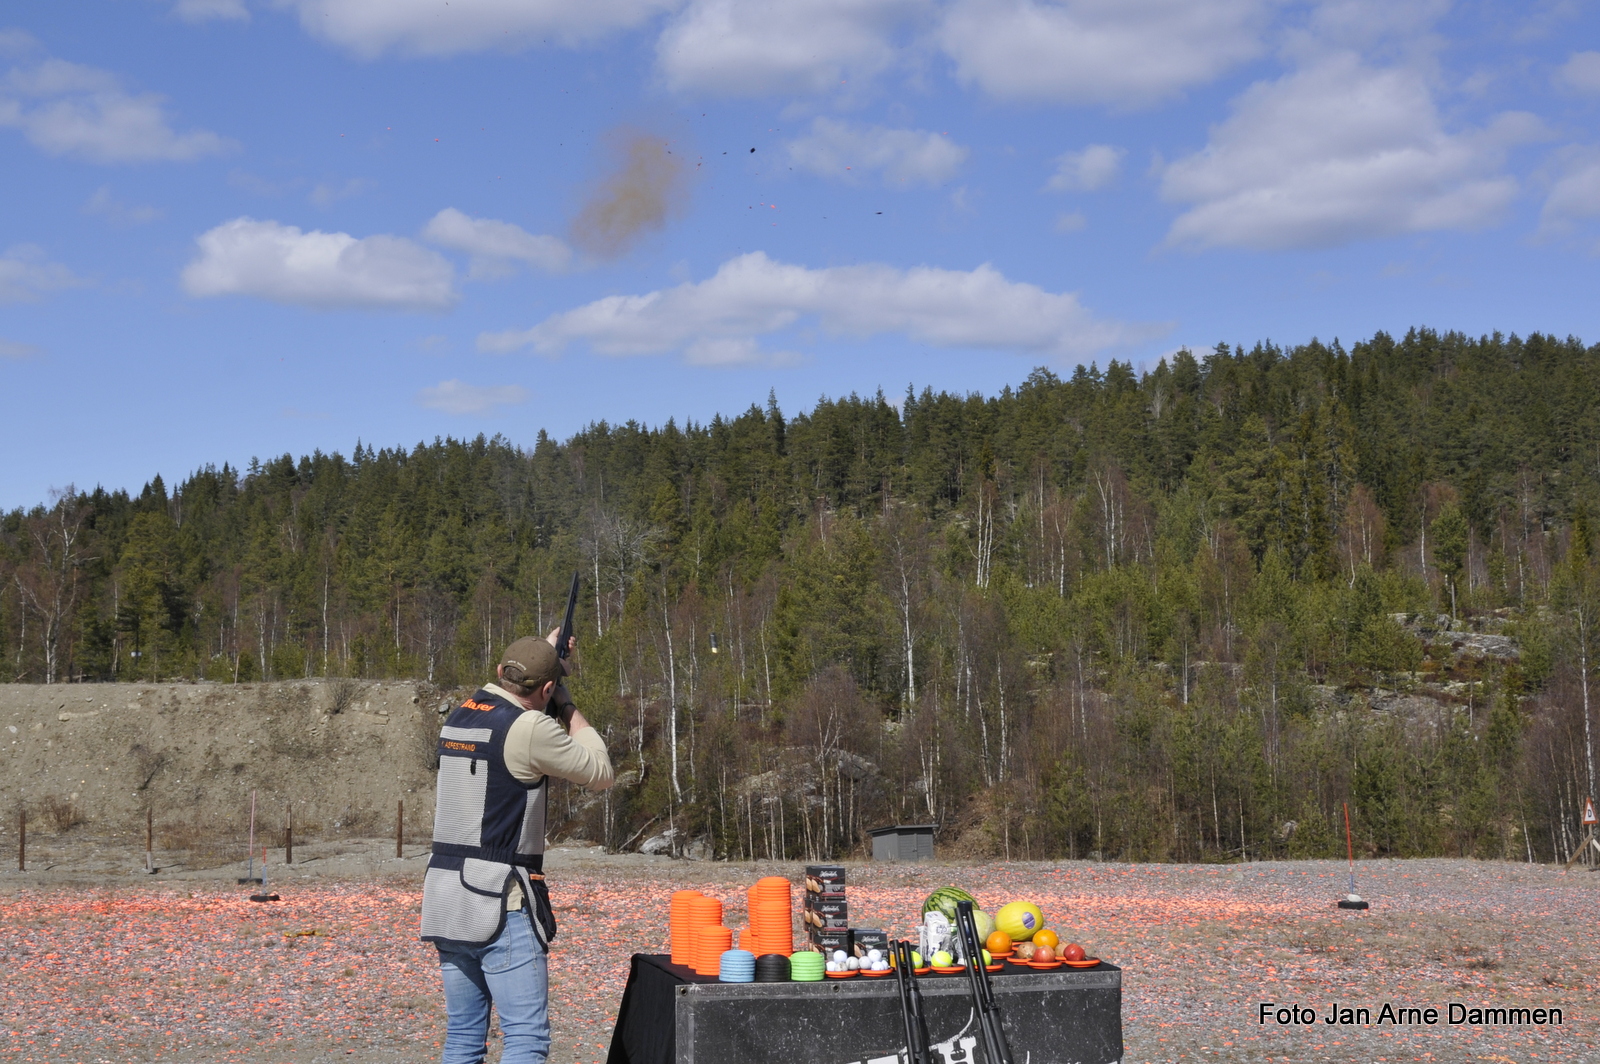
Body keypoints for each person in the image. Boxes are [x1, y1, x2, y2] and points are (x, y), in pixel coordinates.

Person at [420, 629, 614, 1064]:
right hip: (498, 898)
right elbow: (600, 770)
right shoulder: (529, 726)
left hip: (446, 897)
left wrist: (544, 656)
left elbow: (519, 681)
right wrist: (565, 702)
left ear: (499, 672)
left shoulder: (462, 713)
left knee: (464, 1038)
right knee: (526, 1040)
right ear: (545, 689)